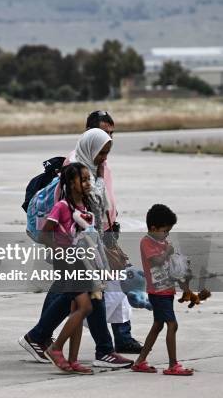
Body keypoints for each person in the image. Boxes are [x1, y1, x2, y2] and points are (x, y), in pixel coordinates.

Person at [20, 128, 134, 368]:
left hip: (86, 249)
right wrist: (60, 250)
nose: (104, 158)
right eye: (101, 153)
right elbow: (64, 220)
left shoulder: (92, 173)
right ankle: (50, 341)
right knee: (80, 298)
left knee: (83, 297)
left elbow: (96, 215)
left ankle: (48, 339)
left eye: (107, 153)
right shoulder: (74, 175)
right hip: (73, 252)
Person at [83, 110, 142, 354]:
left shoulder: (102, 161)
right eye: (104, 133)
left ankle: (122, 337)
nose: (110, 138)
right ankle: (42, 334)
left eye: (112, 133)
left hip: (108, 232)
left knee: (117, 284)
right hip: (90, 237)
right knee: (73, 293)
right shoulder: (79, 162)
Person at [40, 163, 95, 374]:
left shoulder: (85, 207)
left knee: (77, 310)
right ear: (71, 183)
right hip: (66, 262)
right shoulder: (62, 206)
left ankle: (73, 360)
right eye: (84, 180)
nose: (88, 183)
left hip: (82, 262)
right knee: (85, 307)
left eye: (89, 179)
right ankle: (56, 348)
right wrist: (60, 251)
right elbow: (44, 234)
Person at [131, 204, 193, 375]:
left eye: (168, 231)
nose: (166, 235)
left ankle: (140, 361)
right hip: (157, 293)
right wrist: (166, 251)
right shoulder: (147, 242)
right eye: (165, 231)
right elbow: (156, 261)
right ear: (153, 228)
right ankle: (173, 365)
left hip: (167, 291)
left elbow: (171, 266)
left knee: (158, 325)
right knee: (172, 325)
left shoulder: (163, 242)